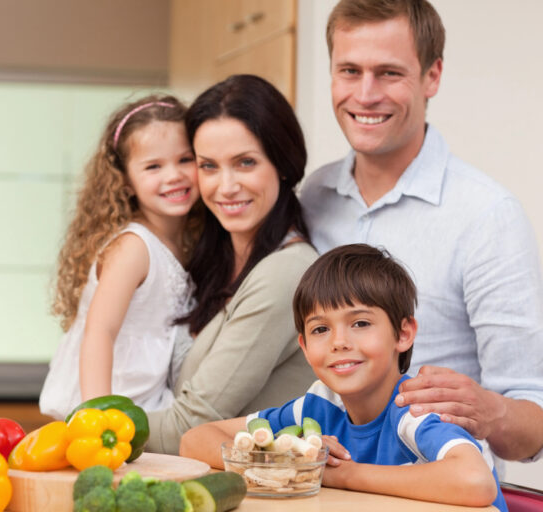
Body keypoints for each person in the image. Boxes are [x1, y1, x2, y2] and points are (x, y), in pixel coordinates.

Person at [299, 0, 543, 462]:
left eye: (389, 73)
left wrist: (487, 412)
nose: (365, 94)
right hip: (324, 490)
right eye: (349, 70)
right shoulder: (312, 199)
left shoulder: (488, 215)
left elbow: (535, 424)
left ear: (432, 76)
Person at [180, 244, 508, 511]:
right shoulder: (320, 405)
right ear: (305, 347)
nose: (339, 342)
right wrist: (287, 453)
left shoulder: (417, 409)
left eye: (361, 323)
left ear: (403, 333)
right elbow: (195, 441)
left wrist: (342, 475)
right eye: (321, 329)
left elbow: (475, 481)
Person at [145, 74, 317, 454]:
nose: (225, 186)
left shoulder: (285, 273)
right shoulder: (217, 262)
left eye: (245, 163)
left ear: (283, 164)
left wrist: (84, 422)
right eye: (208, 166)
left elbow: (188, 428)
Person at [39, 95, 202, 419]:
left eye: (185, 159)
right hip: (106, 406)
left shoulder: (184, 239)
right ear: (125, 182)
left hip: (143, 405)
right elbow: (100, 332)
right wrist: (97, 418)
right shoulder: (134, 248)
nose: (174, 175)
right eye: (153, 166)